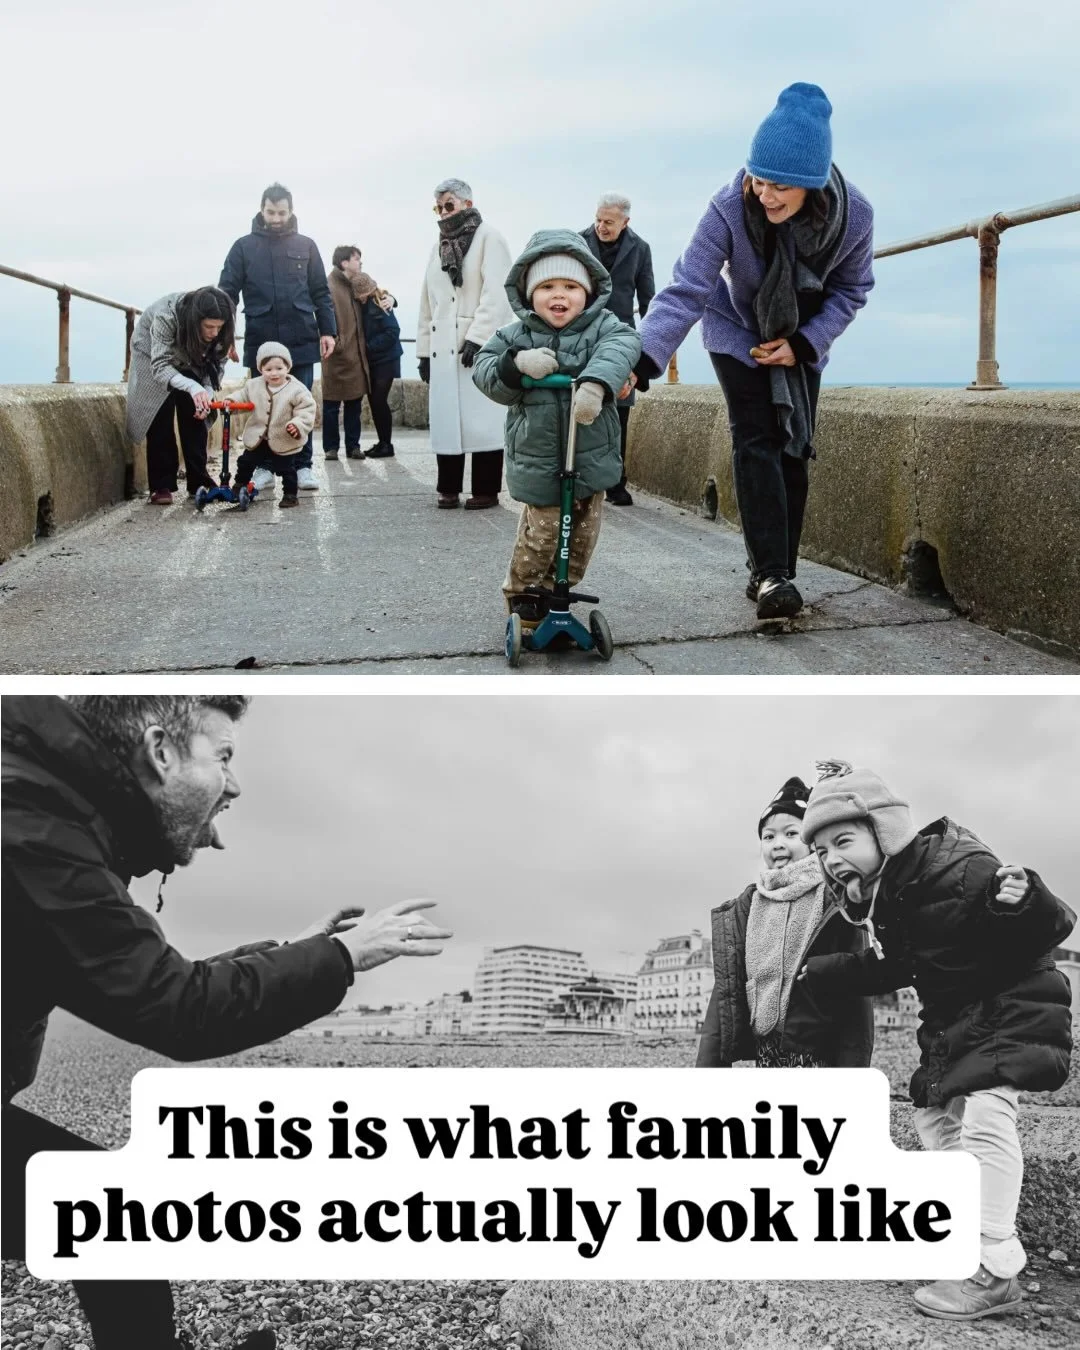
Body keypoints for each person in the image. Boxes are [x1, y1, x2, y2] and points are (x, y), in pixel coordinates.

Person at [1, 695, 452, 1350]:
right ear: (160, 751)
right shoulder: (31, 828)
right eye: (223, 757)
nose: (234, 785)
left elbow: (138, 976)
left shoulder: (44, 805)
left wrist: (300, 953)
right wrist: (343, 957)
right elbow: (179, 1009)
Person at [798, 759, 1074, 1321]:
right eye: (822, 851)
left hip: (1010, 1008)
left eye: (843, 842)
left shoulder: (958, 865)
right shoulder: (892, 893)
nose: (831, 860)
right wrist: (830, 971)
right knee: (932, 1120)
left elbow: (1051, 926)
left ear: (885, 831)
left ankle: (994, 1267)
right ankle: (967, 1235)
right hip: (956, 1022)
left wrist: (1023, 898)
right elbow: (901, 965)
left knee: (987, 1119)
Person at [635, 83, 875, 620]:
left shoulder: (855, 216)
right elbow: (687, 286)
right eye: (758, 179)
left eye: (780, 187)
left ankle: (777, 569)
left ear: (812, 185)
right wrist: (642, 358)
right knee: (756, 439)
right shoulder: (728, 205)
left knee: (794, 448)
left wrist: (804, 344)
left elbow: (852, 290)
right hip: (737, 330)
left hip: (802, 336)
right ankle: (771, 576)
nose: (765, 195)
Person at [472, 230, 639, 624]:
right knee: (543, 533)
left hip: (590, 455)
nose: (559, 295)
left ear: (588, 291)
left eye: (570, 287)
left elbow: (623, 345)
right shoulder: (515, 335)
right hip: (538, 456)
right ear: (529, 293)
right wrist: (516, 365)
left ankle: (557, 594)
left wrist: (596, 383)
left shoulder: (604, 326)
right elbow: (484, 368)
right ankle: (525, 596)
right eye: (547, 287)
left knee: (581, 537)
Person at [696, 775, 874, 1068]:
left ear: (813, 842)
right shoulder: (747, 905)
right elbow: (725, 993)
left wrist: (853, 1074)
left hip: (822, 1055)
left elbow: (856, 995)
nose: (778, 844)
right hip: (766, 1053)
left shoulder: (834, 898)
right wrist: (707, 1069)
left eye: (791, 833)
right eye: (769, 837)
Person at [218, 184, 336, 493]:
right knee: (262, 405)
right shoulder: (243, 247)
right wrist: (226, 336)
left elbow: (321, 292)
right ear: (262, 209)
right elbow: (227, 294)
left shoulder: (307, 245)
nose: (276, 218)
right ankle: (264, 468)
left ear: (291, 211)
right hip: (261, 338)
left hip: (301, 337)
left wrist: (328, 331)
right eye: (271, 212)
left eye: (282, 213)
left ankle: (303, 466)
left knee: (301, 404)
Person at [416, 178, 513, 509]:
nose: (444, 212)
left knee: (483, 421)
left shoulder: (490, 238)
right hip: (443, 347)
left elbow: (498, 292)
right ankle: (448, 487)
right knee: (447, 423)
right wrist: (423, 352)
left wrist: (479, 336)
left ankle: (486, 490)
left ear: (467, 204)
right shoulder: (438, 247)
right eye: (439, 207)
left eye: (449, 205)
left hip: (478, 346)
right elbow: (427, 303)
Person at [125, 287, 236, 505]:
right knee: (159, 411)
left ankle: (198, 480)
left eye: (219, 327)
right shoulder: (166, 316)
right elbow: (160, 365)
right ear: (196, 320)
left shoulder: (220, 330)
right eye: (209, 327)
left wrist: (205, 393)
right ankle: (161, 484)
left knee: (197, 411)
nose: (215, 332)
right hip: (153, 353)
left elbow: (217, 364)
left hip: (192, 355)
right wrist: (192, 387)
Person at [581, 193, 655, 506]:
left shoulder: (641, 249)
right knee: (581, 408)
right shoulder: (579, 242)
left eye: (609, 222)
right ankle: (582, 480)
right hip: (583, 335)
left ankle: (616, 484)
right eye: (598, 219)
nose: (601, 226)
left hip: (622, 338)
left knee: (619, 414)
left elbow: (648, 302)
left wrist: (647, 354)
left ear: (625, 222)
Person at [322, 245, 402, 461]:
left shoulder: (357, 284)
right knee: (332, 402)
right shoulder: (329, 286)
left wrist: (392, 299)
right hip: (338, 353)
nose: (360, 263)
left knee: (357, 402)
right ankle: (331, 448)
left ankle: (357, 446)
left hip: (365, 355)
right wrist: (338, 343)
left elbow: (376, 294)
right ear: (344, 263)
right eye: (356, 259)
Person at [230, 342, 317, 508]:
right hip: (259, 438)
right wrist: (231, 401)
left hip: (283, 437)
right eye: (268, 369)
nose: (274, 373)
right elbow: (242, 395)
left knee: (287, 469)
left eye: (279, 368)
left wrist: (297, 425)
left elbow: (306, 409)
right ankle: (240, 485)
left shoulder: (297, 389)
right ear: (261, 369)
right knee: (245, 461)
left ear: (288, 367)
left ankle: (290, 495)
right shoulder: (253, 385)